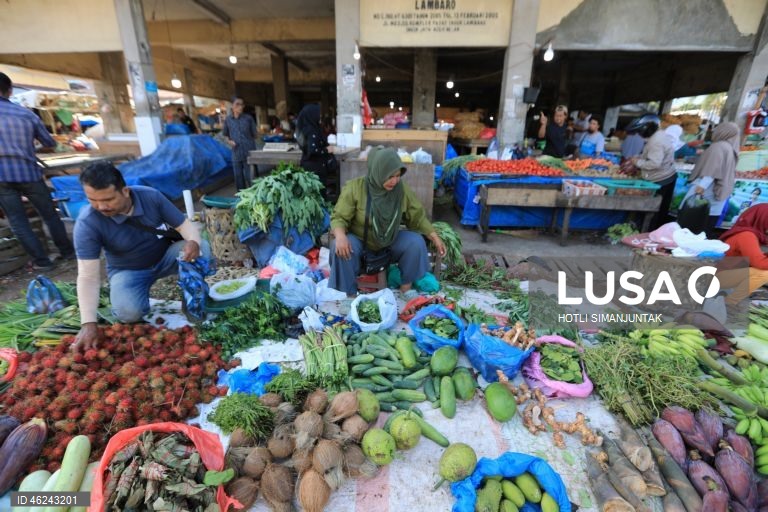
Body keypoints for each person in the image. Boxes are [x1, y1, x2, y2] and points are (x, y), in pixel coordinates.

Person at [72, 162, 210, 350]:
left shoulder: (150, 197)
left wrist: (193, 242)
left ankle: (191, 302)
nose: (101, 206)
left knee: (203, 249)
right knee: (129, 312)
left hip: (165, 257)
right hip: (128, 270)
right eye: (92, 200)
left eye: (108, 199)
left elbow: (184, 226)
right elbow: (88, 276)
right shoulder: (88, 223)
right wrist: (88, 323)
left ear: (125, 191)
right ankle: (137, 301)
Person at [329, 147, 446, 298]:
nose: (395, 181)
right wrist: (340, 236)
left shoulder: (400, 190)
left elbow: (416, 216)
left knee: (415, 242)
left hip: (389, 241)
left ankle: (406, 288)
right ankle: (350, 295)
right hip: (360, 241)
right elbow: (339, 217)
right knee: (340, 249)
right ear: (379, 172)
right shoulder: (355, 188)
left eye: (398, 176)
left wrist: (434, 236)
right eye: (390, 176)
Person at [0, 72, 75, 269]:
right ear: (10, 90)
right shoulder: (26, 114)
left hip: (1, 178)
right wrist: (29, 149)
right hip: (29, 172)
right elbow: (50, 143)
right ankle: (67, 252)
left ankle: (43, 262)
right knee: (49, 214)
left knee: (18, 221)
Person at [682, 122, 740, 237]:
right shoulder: (729, 147)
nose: (714, 131)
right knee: (708, 220)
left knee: (691, 215)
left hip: (708, 188)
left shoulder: (718, 146)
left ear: (723, 132)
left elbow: (712, 170)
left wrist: (701, 186)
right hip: (718, 189)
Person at [717, 204, 768, 304]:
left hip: (722, 273)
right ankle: (730, 303)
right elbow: (760, 263)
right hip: (715, 277)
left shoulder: (749, 233)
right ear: (762, 219)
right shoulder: (746, 235)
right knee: (764, 274)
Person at [631, 120, 676, 230]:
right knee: (661, 209)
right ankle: (654, 231)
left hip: (661, 179)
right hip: (667, 176)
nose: (639, 134)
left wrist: (637, 162)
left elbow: (655, 163)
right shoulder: (659, 135)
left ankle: (650, 232)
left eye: (639, 131)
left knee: (655, 210)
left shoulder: (656, 142)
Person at [295, 104, 337, 196]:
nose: (319, 117)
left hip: (309, 167)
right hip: (315, 170)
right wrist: (327, 150)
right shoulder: (311, 131)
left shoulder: (305, 128)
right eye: (318, 114)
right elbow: (313, 150)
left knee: (312, 195)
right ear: (311, 115)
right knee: (318, 196)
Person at [222, 98, 257, 190]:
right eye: (237, 104)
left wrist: (246, 140)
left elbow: (255, 134)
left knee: (251, 177)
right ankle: (242, 200)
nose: (240, 107)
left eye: (242, 105)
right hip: (236, 153)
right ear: (232, 106)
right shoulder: (228, 120)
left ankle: (254, 198)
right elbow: (225, 135)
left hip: (249, 152)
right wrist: (229, 141)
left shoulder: (248, 119)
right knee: (238, 178)